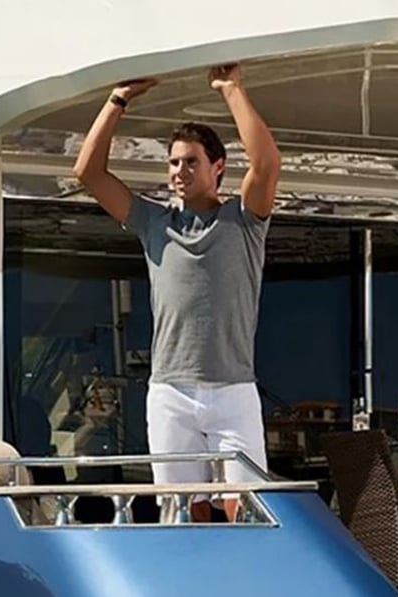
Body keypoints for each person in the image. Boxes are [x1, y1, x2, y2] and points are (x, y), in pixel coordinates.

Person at [72, 64, 280, 521]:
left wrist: (231, 88)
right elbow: (88, 172)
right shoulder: (154, 222)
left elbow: (266, 164)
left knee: (248, 510)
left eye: (190, 161)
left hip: (233, 390)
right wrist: (118, 99)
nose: (179, 171)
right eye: (173, 162)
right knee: (182, 511)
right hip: (170, 392)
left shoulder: (243, 220)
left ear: (217, 167)